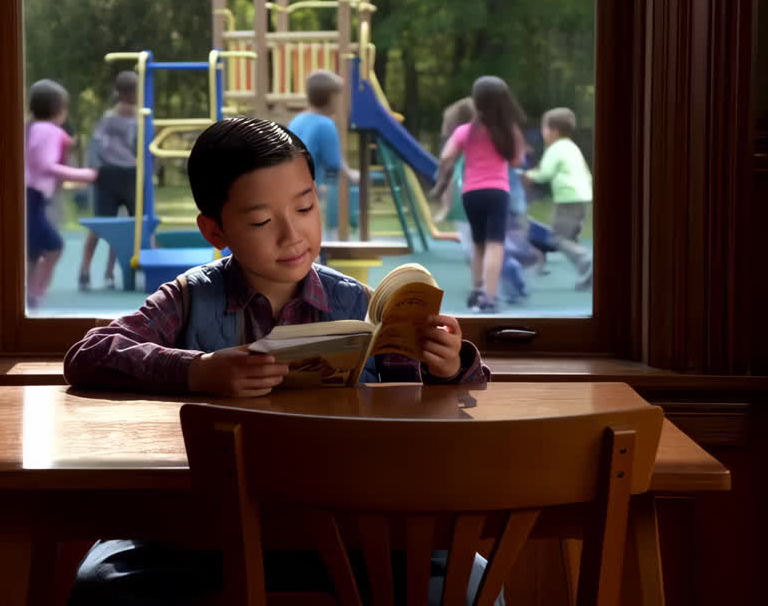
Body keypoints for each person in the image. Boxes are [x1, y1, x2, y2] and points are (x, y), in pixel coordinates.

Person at [63, 116, 498, 605]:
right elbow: (89, 354)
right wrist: (199, 369)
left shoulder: (358, 304)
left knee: (470, 580)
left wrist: (450, 365)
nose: (293, 234)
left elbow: (434, 401)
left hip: (351, 525)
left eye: (306, 206)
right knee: (101, 585)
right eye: (261, 221)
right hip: (204, 529)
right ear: (215, 229)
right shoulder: (188, 298)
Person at [435, 76, 528, 314]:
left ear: (476, 102)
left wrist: (450, 168)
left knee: (478, 244)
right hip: (498, 192)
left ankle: (476, 290)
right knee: (495, 244)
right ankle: (490, 296)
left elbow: (446, 156)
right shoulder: (509, 132)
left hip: (471, 193)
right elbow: (517, 160)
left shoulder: (465, 131)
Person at [25, 79, 97, 309]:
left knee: (34, 251)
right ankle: (35, 294)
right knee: (54, 246)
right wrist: (84, 175)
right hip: (33, 197)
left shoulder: (32, 128)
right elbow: (45, 165)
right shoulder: (50, 131)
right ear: (60, 110)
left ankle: (30, 294)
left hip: (30, 196)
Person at [78, 70, 140, 292]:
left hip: (107, 175)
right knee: (127, 226)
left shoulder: (107, 117)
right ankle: (108, 272)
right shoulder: (138, 118)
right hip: (130, 174)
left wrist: (93, 169)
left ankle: (85, 271)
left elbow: (95, 145)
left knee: (102, 224)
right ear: (133, 91)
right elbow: (141, 147)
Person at [524, 107, 593, 291]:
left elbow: (544, 174)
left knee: (558, 239)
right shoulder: (572, 147)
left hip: (567, 199)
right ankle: (588, 275)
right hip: (582, 197)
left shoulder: (555, 148)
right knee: (571, 239)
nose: (542, 132)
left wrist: (528, 175)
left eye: (544, 128)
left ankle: (589, 261)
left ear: (553, 130)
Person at [287, 70, 360, 235]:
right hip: (309, 189)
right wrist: (351, 174)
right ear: (331, 97)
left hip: (289, 187)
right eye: (339, 97)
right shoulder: (325, 124)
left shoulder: (297, 120)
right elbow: (334, 162)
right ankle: (332, 236)